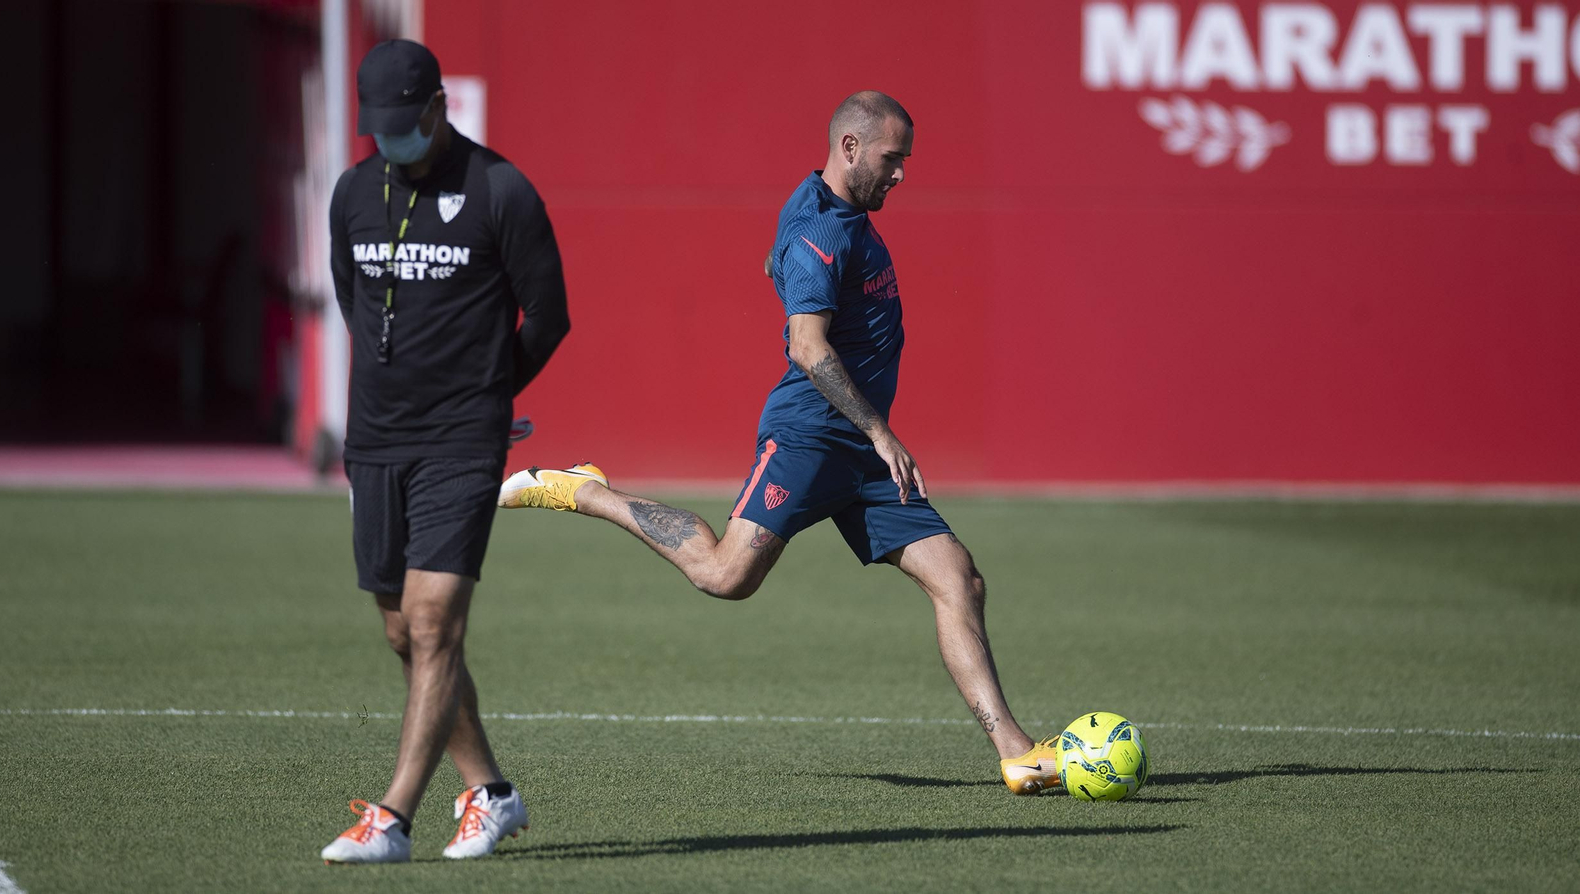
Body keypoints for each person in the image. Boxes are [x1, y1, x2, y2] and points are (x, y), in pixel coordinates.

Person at [499, 91, 1059, 796]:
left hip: (861, 452)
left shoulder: (825, 209)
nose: (902, 175)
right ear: (850, 149)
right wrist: (879, 427)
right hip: (813, 436)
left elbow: (786, 252)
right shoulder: (821, 229)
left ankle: (1014, 752)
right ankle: (583, 489)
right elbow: (806, 345)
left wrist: (784, 268)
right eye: (893, 159)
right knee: (725, 577)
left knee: (959, 579)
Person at [320, 39, 569, 863]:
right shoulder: (353, 192)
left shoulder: (502, 189)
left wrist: (491, 396)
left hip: (464, 438)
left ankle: (390, 819)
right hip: (376, 440)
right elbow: (357, 306)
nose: (389, 138)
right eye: (377, 126)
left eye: (404, 123)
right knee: (403, 630)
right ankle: (492, 794)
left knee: (434, 622)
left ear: (438, 108)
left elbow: (549, 315)